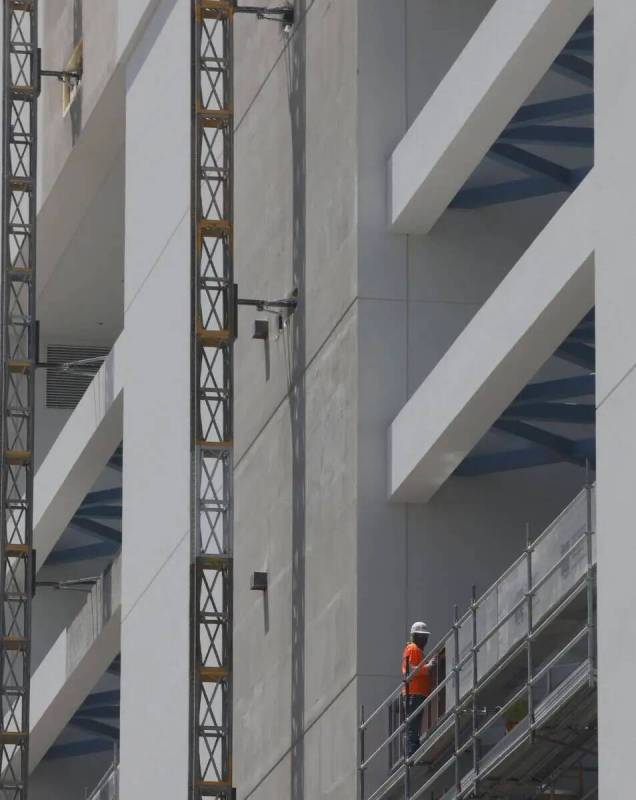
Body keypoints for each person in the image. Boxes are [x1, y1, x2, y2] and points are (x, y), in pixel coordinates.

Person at [402, 621, 436, 759]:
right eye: (422, 636)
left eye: (425, 636)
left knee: (415, 724)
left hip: (418, 693)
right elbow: (409, 671)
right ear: (415, 636)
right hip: (413, 692)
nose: (425, 639)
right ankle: (411, 752)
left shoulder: (417, 650)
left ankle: (413, 749)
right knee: (413, 724)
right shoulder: (412, 648)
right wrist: (428, 667)